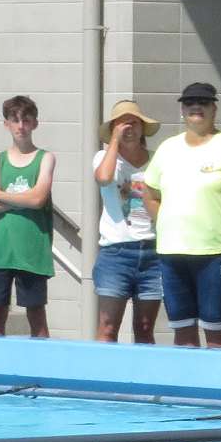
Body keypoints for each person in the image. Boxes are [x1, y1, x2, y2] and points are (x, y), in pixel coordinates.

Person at [140, 82, 221, 350]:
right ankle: (187, 379)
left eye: (203, 102)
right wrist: (164, 224)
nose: (196, 107)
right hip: (172, 253)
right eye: (189, 103)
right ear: (182, 111)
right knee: (183, 335)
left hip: (217, 253)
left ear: (214, 109)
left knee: (216, 334)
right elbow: (149, 193)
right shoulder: (168, 148)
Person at [0, 95, 56, 339]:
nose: (21, 126)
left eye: (26, 120)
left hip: (32, 249)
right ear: (6, 124)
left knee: (36, 315)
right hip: (0, 250)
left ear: (35, 123)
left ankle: (42, 363)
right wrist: (23, 198)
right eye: (15, 120)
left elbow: (38, 199)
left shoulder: (45, 157)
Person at [93, 98, 162, 344]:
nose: (128, 128)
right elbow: (103, 178)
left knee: (145, 328)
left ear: (143, 128)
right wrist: (114, 140)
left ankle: (144, 370)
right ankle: (103, 371)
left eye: (134, 123)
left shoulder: (157, 159)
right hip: (116, 252)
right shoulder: (104, 157)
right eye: (122, 124)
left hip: (153, 251)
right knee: (108, 327)